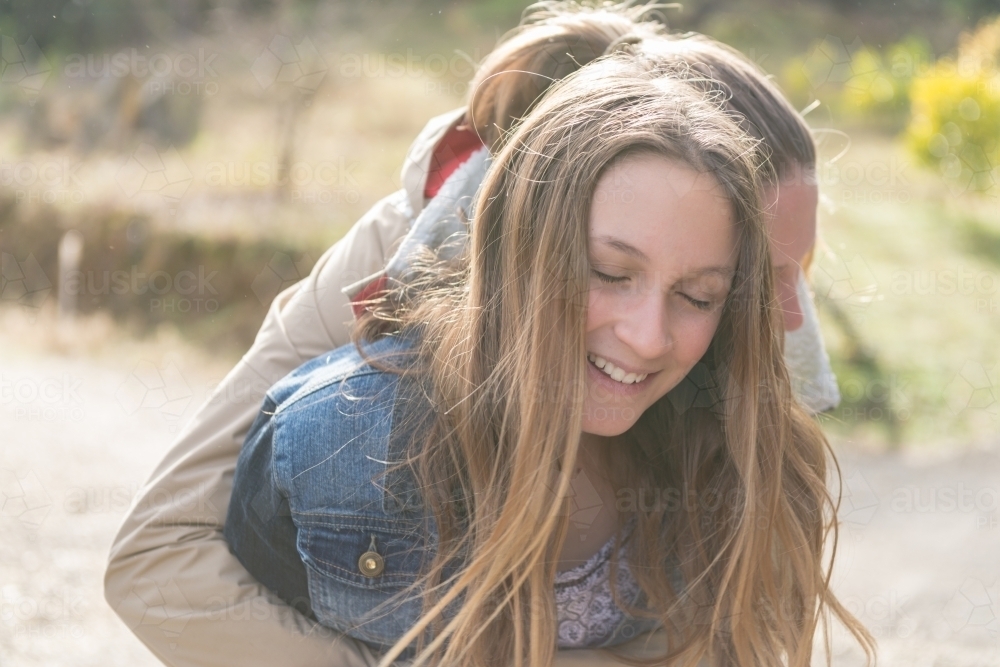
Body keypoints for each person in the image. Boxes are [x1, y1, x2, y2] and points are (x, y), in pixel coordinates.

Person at [103, 4, 849, 666]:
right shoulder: (402, 257)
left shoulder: (752, 330)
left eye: (709, 289)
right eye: (611, 269)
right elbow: (158, 560)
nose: (789, 316)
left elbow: (747, 613)